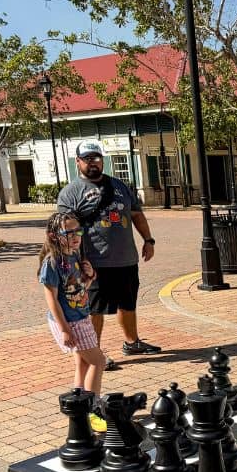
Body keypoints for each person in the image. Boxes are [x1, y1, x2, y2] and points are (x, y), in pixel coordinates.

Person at [58, 140, 160, 370]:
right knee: (94, 309)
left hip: (126, 259)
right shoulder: (70, 193)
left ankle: (132, 342)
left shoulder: (120, 186)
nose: (92, 163)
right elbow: (65, 230)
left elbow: (137, 215)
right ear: (78, 162)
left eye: (96, 158)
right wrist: (75, 261)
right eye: (87, 159)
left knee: (128, 303)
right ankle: (95, 353)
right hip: (94, 263)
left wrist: (148, 240)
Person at [38, 212, 106, 433]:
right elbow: (52, 300)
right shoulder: (52, 262)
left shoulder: (74, 255)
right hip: (70, 321)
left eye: (78, 231)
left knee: (84, 363)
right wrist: (65, 329)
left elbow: (77, 290)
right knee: (98, 361)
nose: (76, 236)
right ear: (54, 235)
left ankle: (78, 403)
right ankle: (93, 408)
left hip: (80, 316)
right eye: (69, 232)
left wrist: (89, 277)